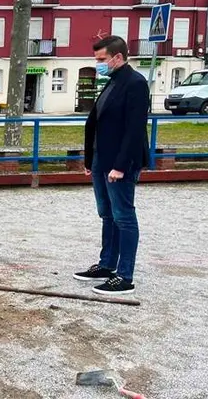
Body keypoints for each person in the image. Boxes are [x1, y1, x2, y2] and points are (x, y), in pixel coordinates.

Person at [74, 35, 149, 295]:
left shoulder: (135, 83)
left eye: (101, 59)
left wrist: (120, 165)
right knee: (107, 214)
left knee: (123, 216)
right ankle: (107, 265)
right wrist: (89, 161)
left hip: (119, 163)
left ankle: (125, 276)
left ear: (117, 57)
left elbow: (134, 130)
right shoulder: (112, 82)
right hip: (100, 160)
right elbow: (97, 122)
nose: (98, 65)